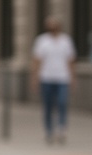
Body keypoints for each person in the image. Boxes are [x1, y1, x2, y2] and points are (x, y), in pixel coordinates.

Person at [31, 16, 77, 144]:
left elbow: (71, 61)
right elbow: (37, 61)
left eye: (54, 25)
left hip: (63, 78)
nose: (52, 28)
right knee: (48, 106)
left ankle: (61, 128)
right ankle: (49, 130)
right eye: (50, 25)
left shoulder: (66, 41)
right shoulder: (42, 41)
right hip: (46, 78)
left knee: (62, 103)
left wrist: (73, 77)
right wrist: (35, 78)